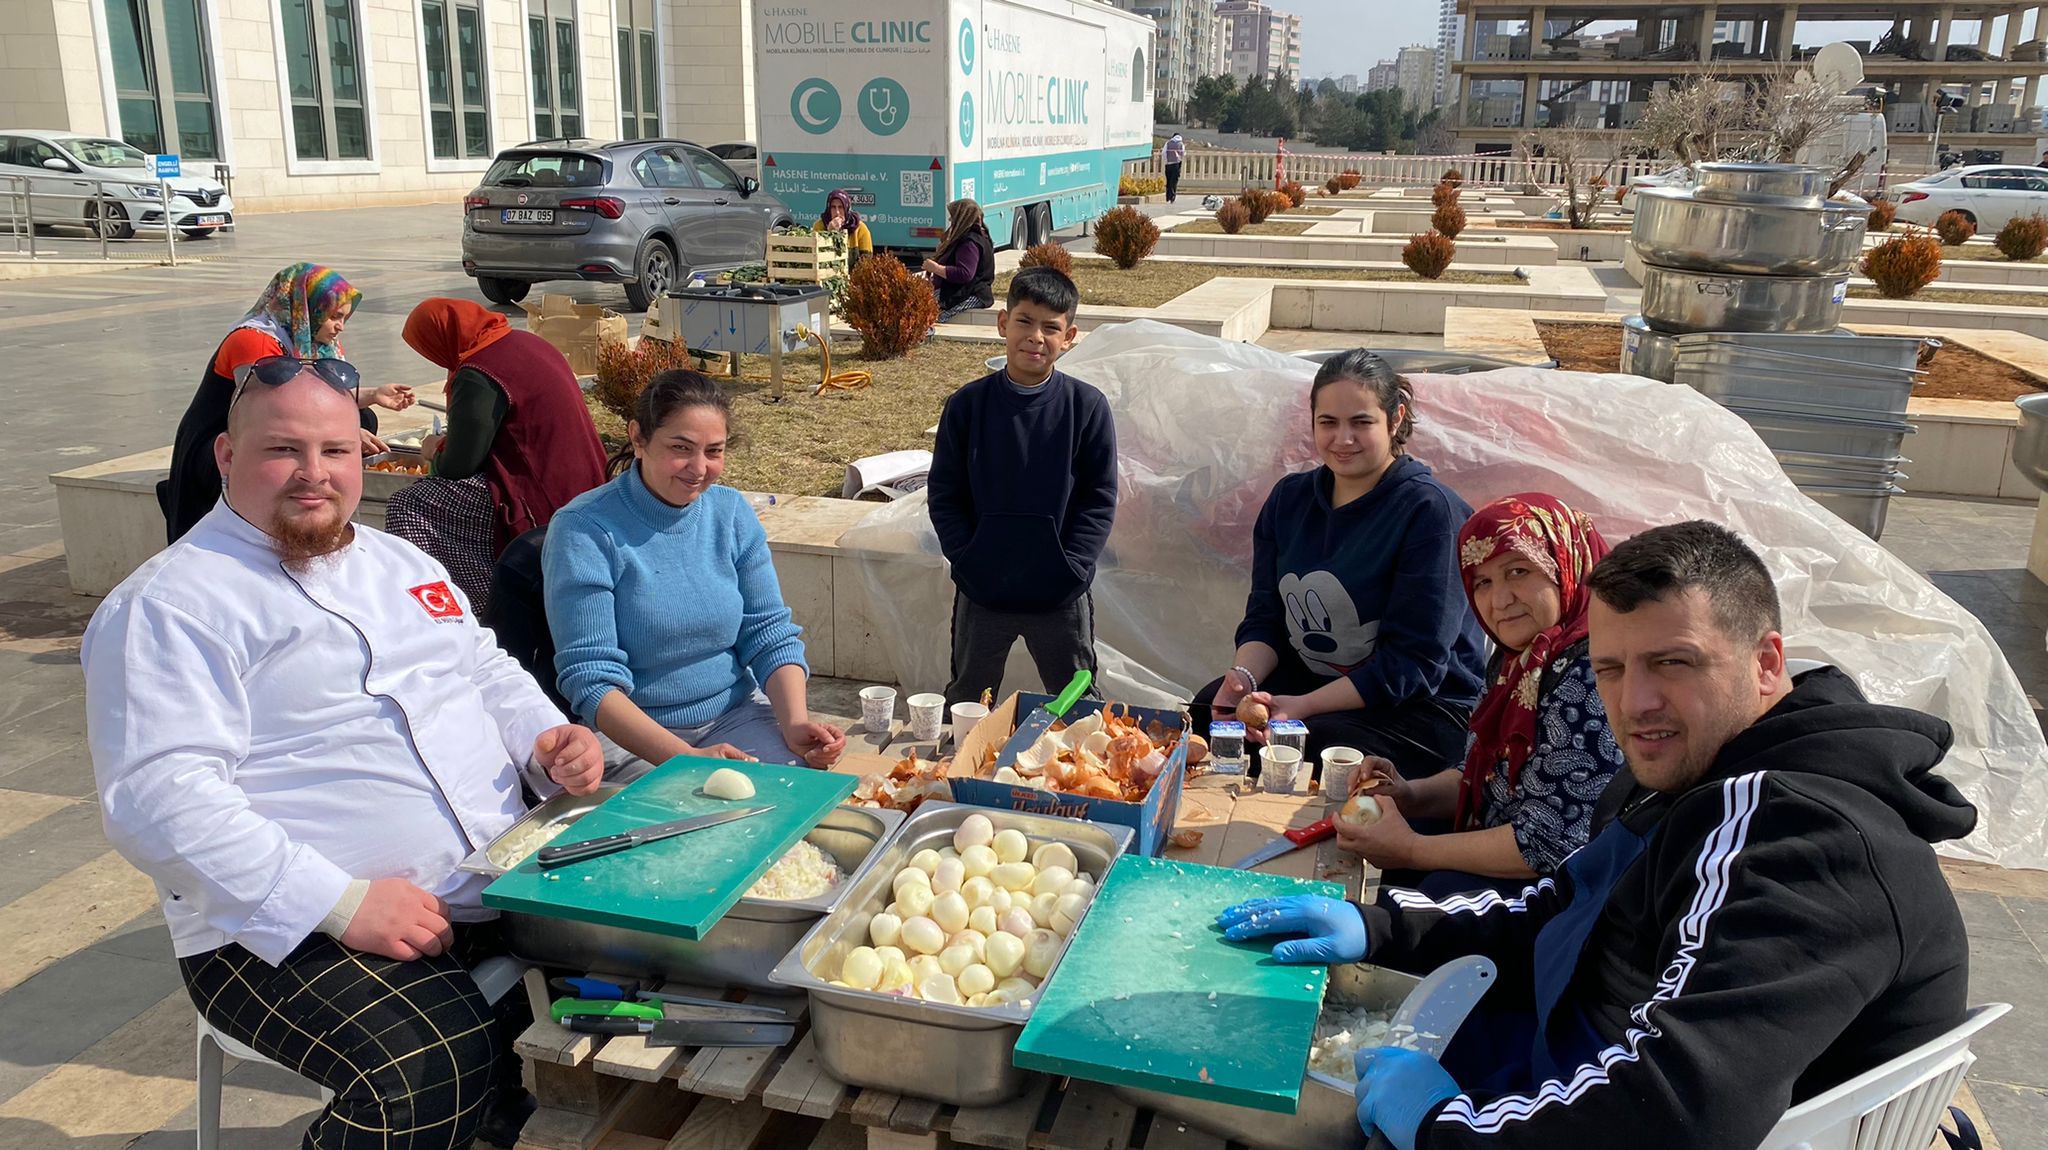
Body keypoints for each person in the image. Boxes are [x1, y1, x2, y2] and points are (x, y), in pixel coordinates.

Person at [1218, 520, 1974, 1150]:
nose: (1635, 703)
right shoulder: (1695, 774)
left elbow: (1675, 1107)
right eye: (1610, 668)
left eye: (1673, 662)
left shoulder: (1804, 841)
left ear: (1767, 663)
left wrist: (1447, 1128)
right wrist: (1379, 926)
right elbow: (1564, 909)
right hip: (1567, 1046)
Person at [84, 364, 606, 1150]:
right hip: (280, 926)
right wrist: (339, 902)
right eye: (283, 450)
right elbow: (159, 802)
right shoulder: (171, 606)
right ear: (226, 454)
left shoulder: (402, 564)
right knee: (431, 1068)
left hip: (489, 876)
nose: (314, 473)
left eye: (335, 450)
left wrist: (543, 739)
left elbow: (483, 667)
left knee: (653, 960)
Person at [1193, 350, 1488, 773]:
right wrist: (1245, 680)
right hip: (1314, 681)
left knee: (1319, 746)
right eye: (1328, 422)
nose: (1343, 439)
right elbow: (1266, 617)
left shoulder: (1431, 513)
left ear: (1395, 419)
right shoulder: (1289, 500)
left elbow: (1413, 665)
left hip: (1421, 704)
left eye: (1361, 422)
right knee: (1210, 713)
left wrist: (1304, 707)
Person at [543, 370, 847, 776]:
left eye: (714, 451)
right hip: (632, 738)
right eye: (681, 448)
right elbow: (591, 679)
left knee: (797, 796)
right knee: (700, 810)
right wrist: (686, 759)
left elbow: (768, 633)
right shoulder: (584, 530)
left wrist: (795, 725)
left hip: (735, 716)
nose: (699, 468)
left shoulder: (730, 513)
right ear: (638, 438)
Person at [1340, 494, 1627, 897]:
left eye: (1518, 571)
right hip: (1510, 846)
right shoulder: (1521, 659)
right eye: (1483, 582)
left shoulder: (1593, 673)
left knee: (1420, 895)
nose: (1500, 600)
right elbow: (1485, 776)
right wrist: (1408, 794)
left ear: (1565, 564)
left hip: (1560, 891)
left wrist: (1411, 850)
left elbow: (1547, 843)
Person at [929, 266, 1114, 707]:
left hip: (1059, 593)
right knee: (968, 699)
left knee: (1076, 702)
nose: (1035, 337)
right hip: (984, 591)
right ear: (1002, 324)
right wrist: (969, 559)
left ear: (1069, 337)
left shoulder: (1087, 408)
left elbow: (1099, 498)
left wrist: (1071, 566)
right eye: (1024, 321)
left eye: (1051, 327)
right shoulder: (967, 406)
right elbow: (945, 494)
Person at [384, 297, 609, 614]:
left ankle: (474, 602)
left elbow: (459, 465)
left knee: (409, 504)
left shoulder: (478, 370)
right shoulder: (523, 341)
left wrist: (434, 448)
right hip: (588, 482)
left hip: (542, 498)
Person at [162, 262, 414, 543]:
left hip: (276, 430)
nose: (340, 327)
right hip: (223, 442)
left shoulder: (314, 341)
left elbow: (321, 395)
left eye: (344, 318)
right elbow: (268, 411)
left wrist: (374, 395)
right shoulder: (255, 341)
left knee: (363, 416)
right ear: (308, 308)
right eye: (334, 316)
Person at [922, 198, 995, 322]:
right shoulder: (974, 237)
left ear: (961, 218)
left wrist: (935, 268)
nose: (950, 220)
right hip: (956, 291)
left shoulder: (970, 243)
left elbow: (965, 274)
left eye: (953, 217)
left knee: (932, 318)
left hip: (971, 294)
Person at [814, 188, 873, 259]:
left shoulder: (860, 228)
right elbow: (816, 256)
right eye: (833, 207)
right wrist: (829, 233)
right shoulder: (819, 226)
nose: (837, 212)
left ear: (846, 208)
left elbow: (867, 260)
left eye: (840, 207)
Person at [1162, 132, 1186, 202]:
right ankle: (1172, 196)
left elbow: (1163, 153)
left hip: (1168, 164)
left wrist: (1166, 161)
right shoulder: (1181, 144)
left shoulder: (1168, 143)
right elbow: (1183, 154)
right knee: (1174, 181)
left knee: (1168, 180)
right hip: (1176, 164)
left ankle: (1167, 196)